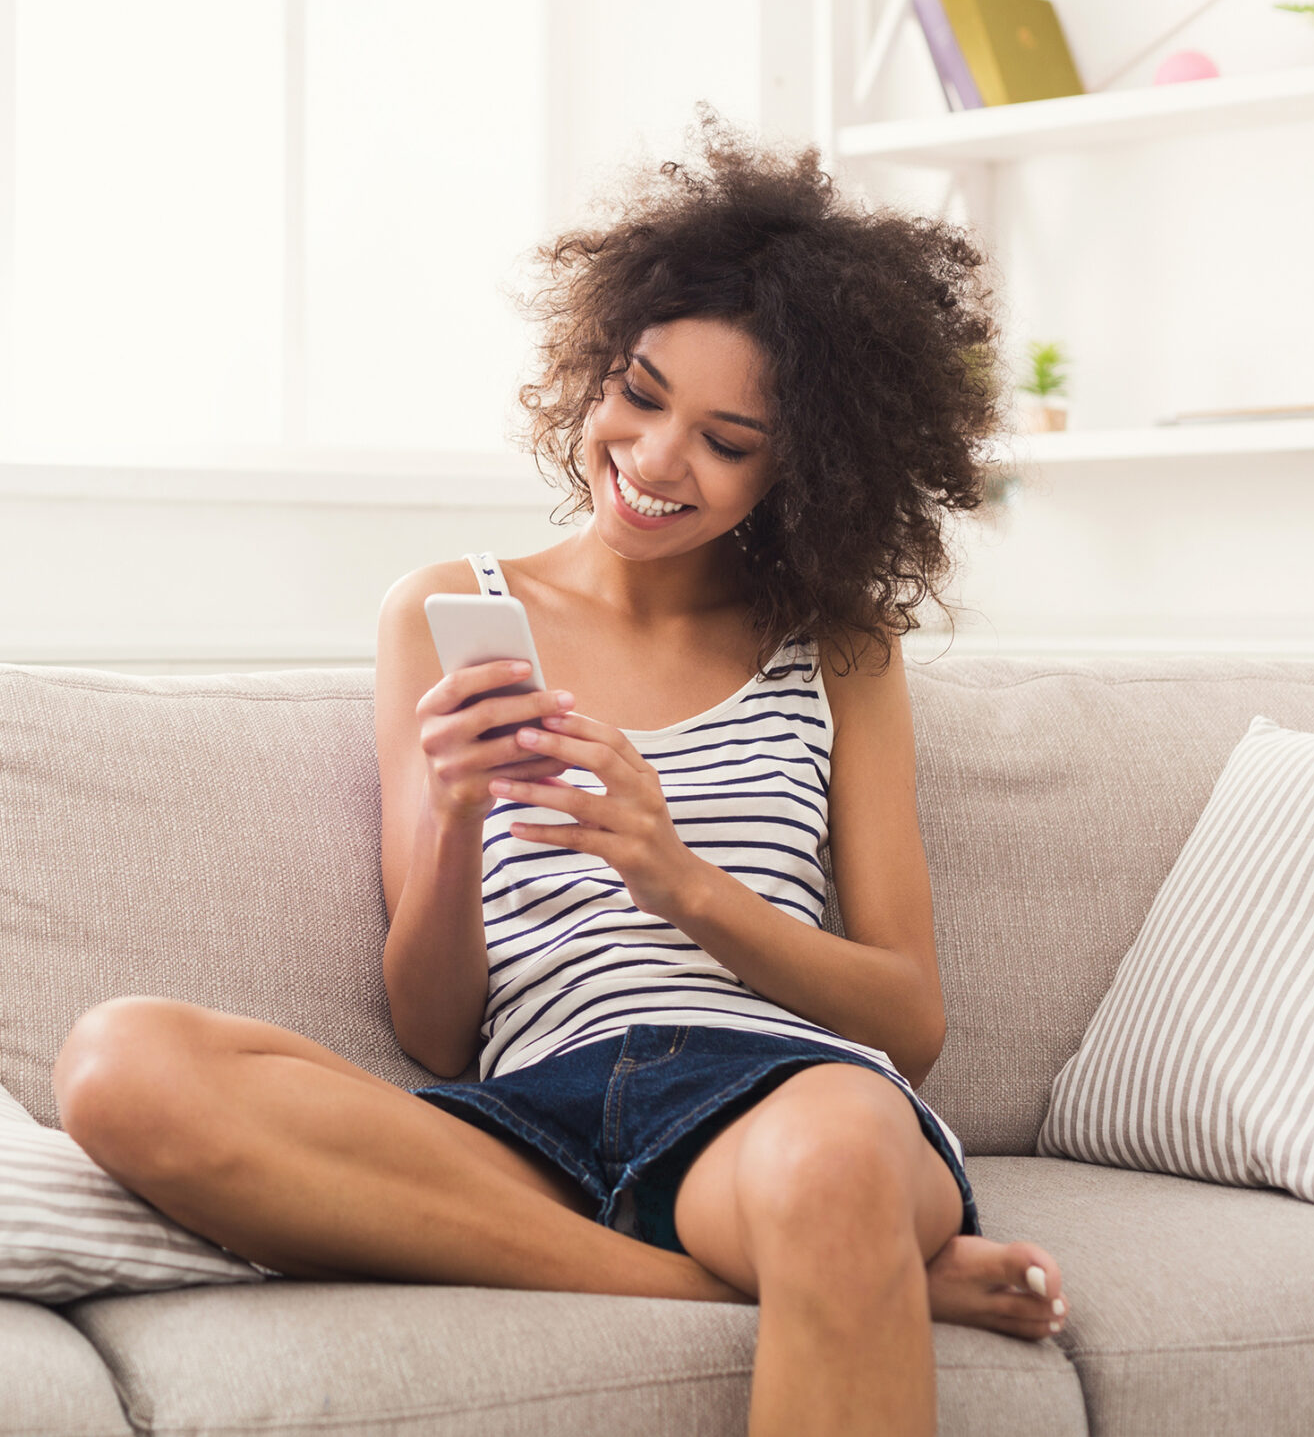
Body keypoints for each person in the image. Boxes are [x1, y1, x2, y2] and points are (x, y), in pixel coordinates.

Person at [53, 120, 1063, 1436]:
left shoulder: (840, 652)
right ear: (595, 367)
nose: (652, 461)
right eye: (640, 395)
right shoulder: (444, 610)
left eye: (726, 438)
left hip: (775, 1106)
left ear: (803, 468)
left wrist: (678, 875)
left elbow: (908, 1017)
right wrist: (462, 816)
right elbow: (431, 1031)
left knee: (831, 1170)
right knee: (119, 1061)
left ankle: (833, 1238)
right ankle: (798, 1282)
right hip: (529, 1118)